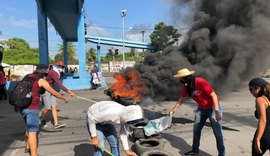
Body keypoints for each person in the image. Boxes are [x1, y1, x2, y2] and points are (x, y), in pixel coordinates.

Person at [170, 68, 225, 156]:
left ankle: (222, 154)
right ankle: (195, 150)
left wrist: (217, 111)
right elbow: (182, 99)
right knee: (196, 130)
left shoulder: (200, 82)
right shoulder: (186, 86)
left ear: (185, 78)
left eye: (180, 78)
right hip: (201, 109)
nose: (179, 80)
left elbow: (213, 95)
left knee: (218, 133)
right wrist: (173, 110)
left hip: (213, 108)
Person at [18, 64, 68, 156]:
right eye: (47, 72)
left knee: (28, 127)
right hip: (31, 108)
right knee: (33, 132)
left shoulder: (27, 76)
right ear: (44, 72)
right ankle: (34, 154)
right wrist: (64, 98)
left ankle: (27, 145)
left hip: (22, 107)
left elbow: (19, 90)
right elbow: (54, 93)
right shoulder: (41, 80)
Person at [40, 61, 76, 129]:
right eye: (60, 66)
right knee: (47, 107)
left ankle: (56, 124)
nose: (61, 68)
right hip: (45, 90)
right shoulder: (54, 73)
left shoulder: (55, 72)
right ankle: (42, 119)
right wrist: (70, 92)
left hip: (51, 89)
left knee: (54, 106)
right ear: (56, 66)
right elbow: (60, 85)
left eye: (62, 67)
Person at [248, 78, 270, 155]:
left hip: (264, 136)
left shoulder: (261, 100)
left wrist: (257, 139)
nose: (250, 92)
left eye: (251, 89)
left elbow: (263, 120)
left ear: (257, 87)